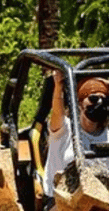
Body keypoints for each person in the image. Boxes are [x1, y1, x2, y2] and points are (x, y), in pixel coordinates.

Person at [45, 73, 109, 201]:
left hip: (102, 199)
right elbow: (58, 111)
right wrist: (58, 86)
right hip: (63, 200)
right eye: (94, 98)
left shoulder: (107, 133)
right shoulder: (66, 129)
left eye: (104, 100)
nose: (100, 103)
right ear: (79, 103)